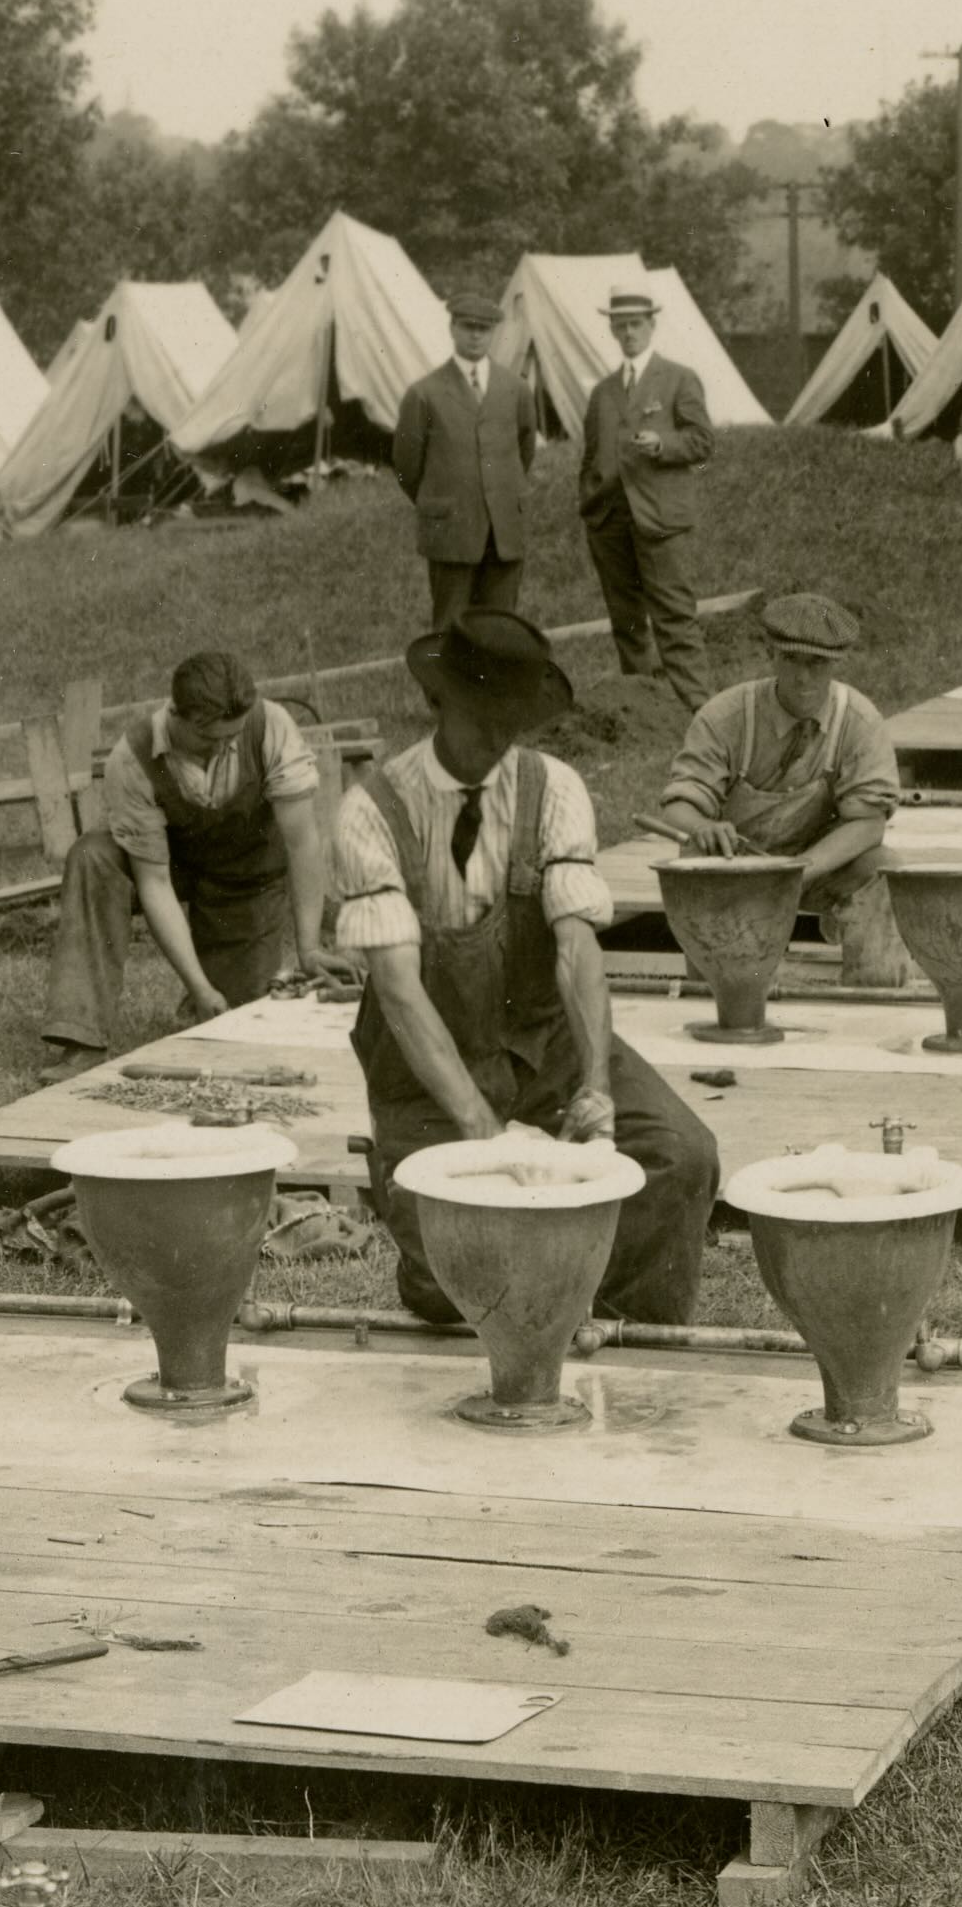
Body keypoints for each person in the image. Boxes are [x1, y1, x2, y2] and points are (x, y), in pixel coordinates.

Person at [327, 607, 718, 1335]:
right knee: (453, 1270)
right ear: (437, 703)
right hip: (427, 1070)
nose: (496, 744)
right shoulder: (370, 812)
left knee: (678, 1154)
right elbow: (400, 992)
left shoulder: (554, 789)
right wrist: (482, 1129)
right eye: (481, 722)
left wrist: (596, 1085)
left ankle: (625, 1326)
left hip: (543, 1043)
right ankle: (482, 1286)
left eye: (511, 724)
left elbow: (575, 947)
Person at [638, 581, 906, 976]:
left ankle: (873, 990)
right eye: (792, 660)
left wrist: (800, 869)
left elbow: (868, 825)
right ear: (770, 655)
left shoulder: (859, 722)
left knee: (883, 867)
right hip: (735, 866)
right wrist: (703, 826)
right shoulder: (727, 717)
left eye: (817, 664)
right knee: (694, 860)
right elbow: (678, 807)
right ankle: (713, 992)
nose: (803, 677)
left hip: (815, 866)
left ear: (836, 663)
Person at [82, 647, 341, 1021]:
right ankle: (80, 1035)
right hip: (170, 866)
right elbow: (153, 881)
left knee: (241, 1015)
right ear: (175, 715)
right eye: (209, 739)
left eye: (232, 737)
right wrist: (197, 985)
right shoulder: (130, 758)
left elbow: (302, 843)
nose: (224, 748)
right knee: (92, 856)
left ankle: (211, 988)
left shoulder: (272, 725)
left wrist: (310, 948)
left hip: (245, 874)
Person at [389, 286, 573, 630]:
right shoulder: (424, 393)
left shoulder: (515, 389)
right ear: (452, 329)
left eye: (483, 329)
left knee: (501, 628)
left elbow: (523, 451)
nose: (475, 336)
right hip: (451, 531)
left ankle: (496, 686)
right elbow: (407, 467)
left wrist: (498, 494)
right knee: (451, 627)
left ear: (493, 333)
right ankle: (449, 687)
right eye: (467, 327)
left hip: (504, 530)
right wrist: (442, 501)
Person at [573, 280, 719, 682]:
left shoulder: (678, 378)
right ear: (612, 330)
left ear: (652, 325)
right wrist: (591, 501)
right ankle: (643, 709)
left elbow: (703, 441)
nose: (629, 333)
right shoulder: (603, 391)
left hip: (660, 519)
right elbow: (590, 454)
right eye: (620, 326)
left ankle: (694, 706)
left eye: (636, 324)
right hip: (610, 520)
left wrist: (663, 444)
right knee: (626, 620)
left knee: (674, 615)